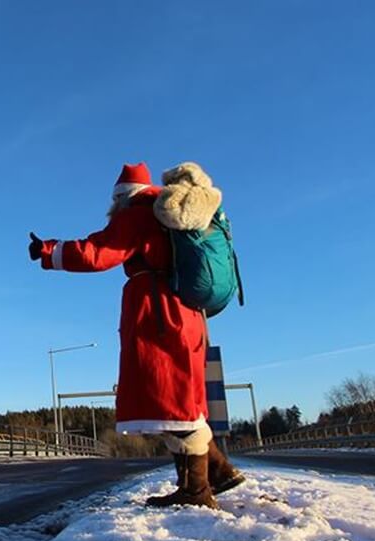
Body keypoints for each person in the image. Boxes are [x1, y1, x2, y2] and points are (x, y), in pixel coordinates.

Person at [29, 162, 243, 508]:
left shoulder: (139, 215)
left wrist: (50, 252)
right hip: (182, 315)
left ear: (122, 196)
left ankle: (198, 491)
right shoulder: (166, 217)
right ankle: (214, 474)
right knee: (178, 401)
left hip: (159, 316)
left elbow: (99, 252)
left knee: (172, 403)